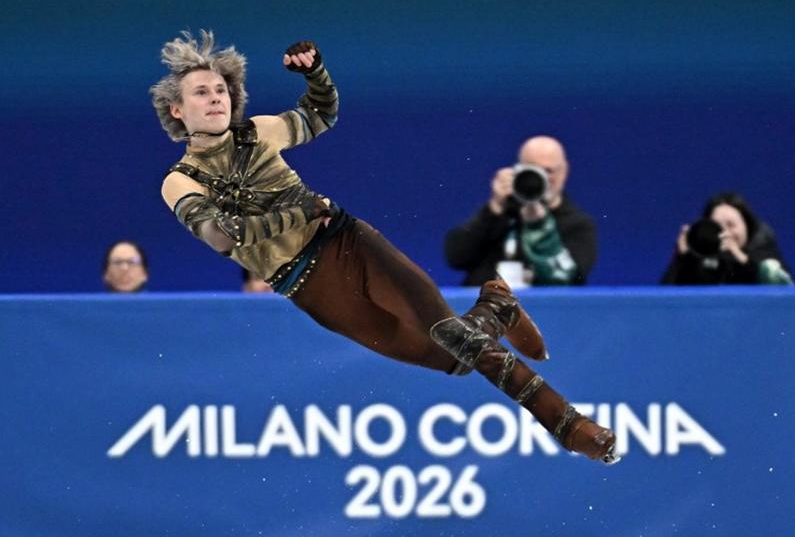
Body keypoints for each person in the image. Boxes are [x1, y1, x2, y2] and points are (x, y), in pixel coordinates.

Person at [151, 31, 618, 464]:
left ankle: (568, 424)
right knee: (451, 361)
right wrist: (300, 213)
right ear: (176, 110)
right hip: (307, 286)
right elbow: (220, 235)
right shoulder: (181, 181)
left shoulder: (258, 131)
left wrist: (315, 72)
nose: (216, 98)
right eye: (201, 92)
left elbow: (320, 114)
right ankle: (497, 306)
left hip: (346, 243)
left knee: (457, 338)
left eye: (220, 90)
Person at [445, 136, 597, 287]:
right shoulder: (497, 214)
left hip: (544, 310)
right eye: (534, 170)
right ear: (518, 170)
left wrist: (539, 226)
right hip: (487, 307)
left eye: (548, 171)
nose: (542, 177)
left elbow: (569, 280)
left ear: (564, 172)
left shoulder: (578, 224)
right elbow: (456, 257)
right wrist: (494, 208)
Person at [661, 192, 793, 285]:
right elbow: (667, 296)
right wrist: (683, 258)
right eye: (717, 226)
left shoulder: (763, 248)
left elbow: (782, 287)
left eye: (731, 225)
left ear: (746, 225)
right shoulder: (700, 256)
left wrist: (740, 258)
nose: (725, 233)